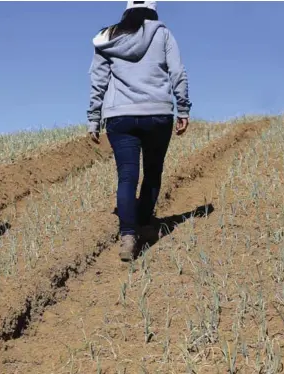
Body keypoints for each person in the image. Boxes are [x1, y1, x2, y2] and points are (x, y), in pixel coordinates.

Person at [87, 1, 192, 261]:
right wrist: (183, 109)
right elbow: (177, 72)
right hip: (157, 113)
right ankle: (144, 223)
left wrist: (93, 118)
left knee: (127, 177)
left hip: (119, 116)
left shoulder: (107, 38)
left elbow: (97, 80)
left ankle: (128, 235)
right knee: (153, 172)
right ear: (153, 9)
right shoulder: (163, 33)